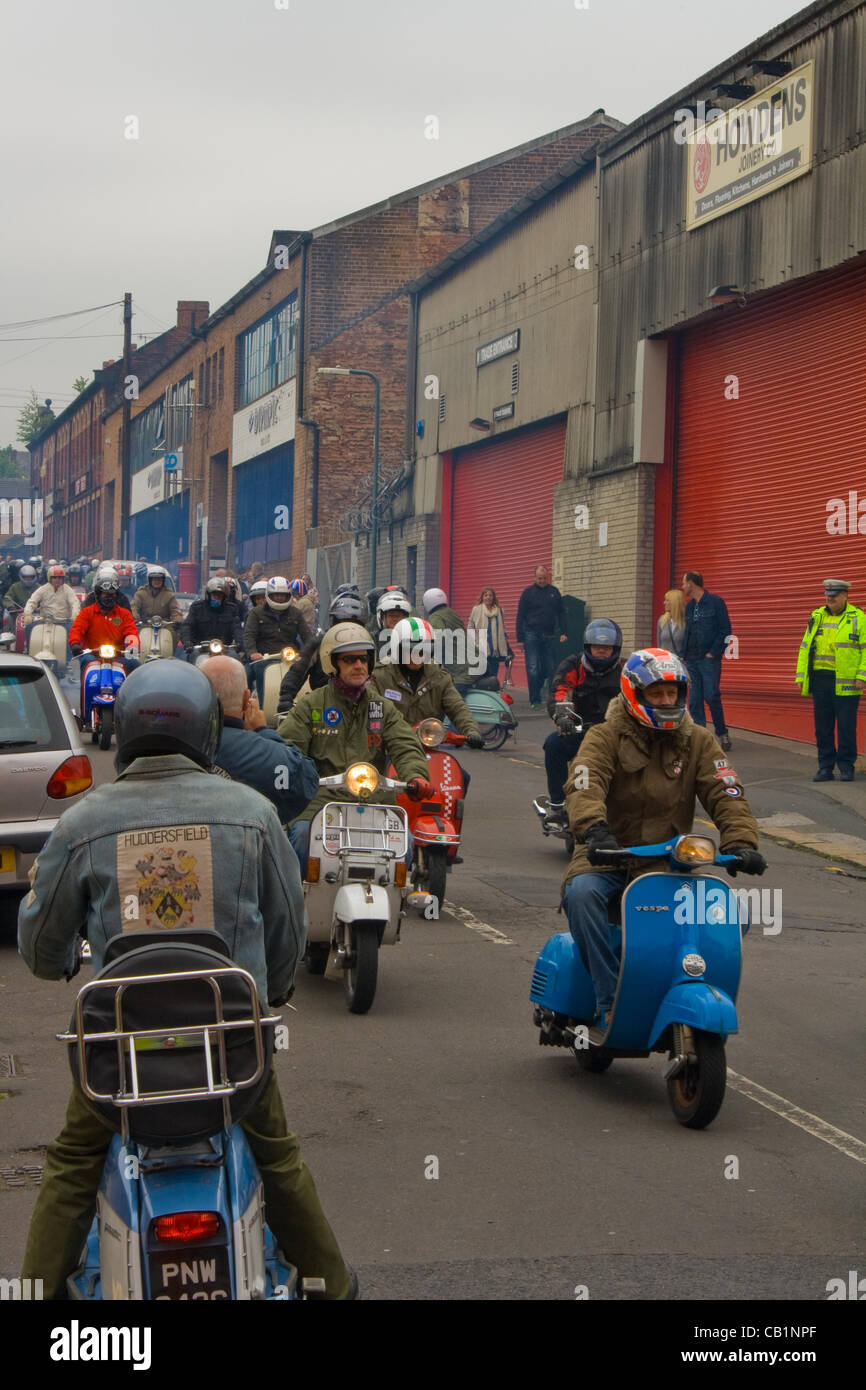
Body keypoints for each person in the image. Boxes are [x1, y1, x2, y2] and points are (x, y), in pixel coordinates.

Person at [17, 661, 354, 1300]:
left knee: (70, 1164)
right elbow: (285, 936)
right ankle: (334, 1285)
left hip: (116, 1058)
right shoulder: (253, 815)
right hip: (232, 1051)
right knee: (278, 1158)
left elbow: (40, 949)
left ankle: (35, 1293)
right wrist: (272, 990)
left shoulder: (83, 822)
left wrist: (64, 958)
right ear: (206, 732)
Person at [562, 648, 765, 1032]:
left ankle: (683, 983)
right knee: (581, 895)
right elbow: (583, 784)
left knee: (731, 914)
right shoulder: (603, 737)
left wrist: (742, 843)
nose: (667, 701)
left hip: (668, 863)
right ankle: (609, 998)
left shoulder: (699, 742)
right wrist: (594, 830)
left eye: (673, 693)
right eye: (657, 694)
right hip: (608, 855)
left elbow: (727, 792)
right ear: (634, 693)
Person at [278, 621, 433, 872]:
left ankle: (394, 908)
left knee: (404, 847)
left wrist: (416, 775)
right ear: (332, 664)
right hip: (321, 801)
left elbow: (405, 745)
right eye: (349, 659)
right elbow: (288, 749)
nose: (359, 665)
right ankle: (298, 905)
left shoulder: (382, 708)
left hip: (375, 800)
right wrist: (289, 776)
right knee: (302, 840)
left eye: (363, 659)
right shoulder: (311, 706)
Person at [202, 654, 319, 820]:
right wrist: (263, 730)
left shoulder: (181, 747)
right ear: (246, 699)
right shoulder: (269, 753)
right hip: (252, 843)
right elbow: (305, 781)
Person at [534, 618, 624, 826]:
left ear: (615, 649)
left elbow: (639, 696)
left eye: (606, 648)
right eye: (597, 646)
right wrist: (563, 716)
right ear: (588, 646)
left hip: (616, 733)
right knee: (553, 744)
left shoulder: (625, 670)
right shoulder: (573, 665)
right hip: (581, 729)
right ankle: (558, 805)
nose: (601, 651)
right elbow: (559, 691)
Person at [371, 616, 484, 750]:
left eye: (424, 650)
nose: (418, 655)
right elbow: (372, 719)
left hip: (427, 749)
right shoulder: (379, 676)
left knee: (457, 772)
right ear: (397, 649)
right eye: (411, 650)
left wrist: (471, 731)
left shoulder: (439, 676)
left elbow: (457, 707)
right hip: (389, 751)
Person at [795, 578, 866, 782]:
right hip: (820, 680)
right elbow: (805, 647)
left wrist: (862, 676)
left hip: (847, 682)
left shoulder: (858, 617)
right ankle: (825, 767)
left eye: (834, 595)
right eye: (828, 595)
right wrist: (801, 675)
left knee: (846, 727)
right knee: (823, 728)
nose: (830, 598)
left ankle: (846, 766)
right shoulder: (816, 616)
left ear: (845, 596)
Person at [278, 592, 369, 712]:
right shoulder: (319, 643)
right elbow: (298, 671)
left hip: (361, 706)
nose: (348, 629)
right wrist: (286, 698)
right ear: (334, 623)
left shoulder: (369, 646)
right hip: (324, 706)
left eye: (354, 624)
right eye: (344, 623)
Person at [681, 571, 732, 750]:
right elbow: (688, 632)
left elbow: (725, 629)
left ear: (692, 584)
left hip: (708, 659)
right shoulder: (689, 607)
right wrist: (683, 653)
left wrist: (713, 652)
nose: (682, 587)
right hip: (692, 659)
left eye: (684, 583)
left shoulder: (715, 602)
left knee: (711, 695)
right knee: (694, 700)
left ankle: (722, 733)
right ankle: (699, 737)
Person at [244, 576, 313, 703]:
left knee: (311, 671)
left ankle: (303, 704)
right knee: (248, 675)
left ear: (289, 595)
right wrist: (253, 653)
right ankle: (260, 706)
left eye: (283, 595)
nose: (280, 598)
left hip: (290, 656)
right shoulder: (256, 613)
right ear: (269, 595)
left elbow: (307, 636)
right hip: (264, 657)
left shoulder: (295, 613)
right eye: (276, 595)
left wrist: (312, 650)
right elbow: (249, 635)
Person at [68, 569, 140, 673]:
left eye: (112, 594)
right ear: (98, 595)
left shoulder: (124, 614)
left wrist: (132, 646)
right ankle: (85, 689)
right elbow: (77, 629)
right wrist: (75, 644)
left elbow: (131, 633)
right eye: (105, 594)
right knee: (87, 661)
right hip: (92, 655)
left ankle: (130, 689)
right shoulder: (87, 612)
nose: (109, 597)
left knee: (135, 665)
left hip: (118, 655)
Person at [516, 566, 567, 707]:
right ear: (535, 577)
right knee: (533, 668)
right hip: (531, 634)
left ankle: (539, 691)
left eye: (544, 578)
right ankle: (535, 700)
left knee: (549, 668)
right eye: (539, 578)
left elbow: (561, 612)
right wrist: (520, 638)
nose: (542, 581)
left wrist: (563, 632)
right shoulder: (528, 593)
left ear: (548, 577)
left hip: (549, 635)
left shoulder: (554, 592)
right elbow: (520, 615)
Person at [181, 576, 245, 658]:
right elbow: (187, 626)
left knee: (236, 658)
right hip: (200, 649)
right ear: (208, 595)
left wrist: (239, 643)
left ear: (224, 597)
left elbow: (237, 628)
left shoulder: (231, 609)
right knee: (188, 658)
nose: (217, 598)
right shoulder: (197, 608)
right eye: (214, 595)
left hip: (224, 650)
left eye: (220, 595)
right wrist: (187, 642)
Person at [422, 587, 471, 689]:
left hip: (462, 670)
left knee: (448, 699)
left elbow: (438, 640)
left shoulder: (436, 617)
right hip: (474, 662)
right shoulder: (451, 613)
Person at [467, 586, 513, 682]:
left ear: (493, 597)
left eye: (490, 595)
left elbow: (502, 627)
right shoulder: (476, 609)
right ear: (482, 597)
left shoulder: (500, 610)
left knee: (493, 674)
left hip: (496, 649)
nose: (488, 597)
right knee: (482, 673)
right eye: (486, 595)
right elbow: (470, 625)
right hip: (481, 647)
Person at [22, 563, 80, 629]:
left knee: (73, 634)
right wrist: (27, 614)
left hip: (64, 622)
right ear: (50, 578)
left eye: (60, 577)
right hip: (45, 621)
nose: (57, 580)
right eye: (54, 577)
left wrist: (75, 615)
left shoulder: (68, 590)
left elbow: (75, 603)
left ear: (63, 579)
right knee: (29, 628)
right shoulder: (43, 589)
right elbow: (32, 601)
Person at [656, 589, 686, 655]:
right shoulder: (662, 620)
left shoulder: (685, 623)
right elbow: (659, 644)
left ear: (674, 602)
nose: (664, 603)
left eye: (667, 600)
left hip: (679, 663)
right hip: (664, 661)